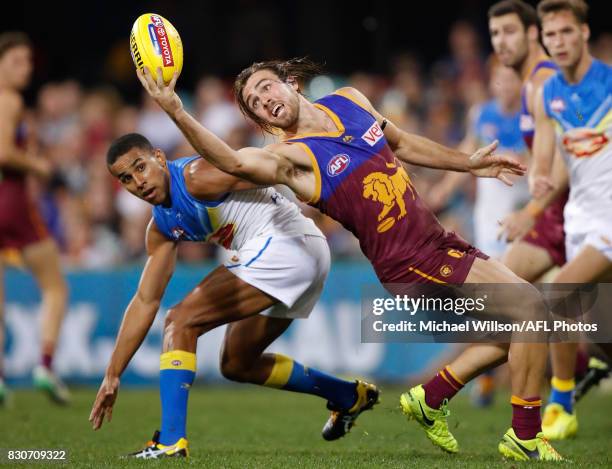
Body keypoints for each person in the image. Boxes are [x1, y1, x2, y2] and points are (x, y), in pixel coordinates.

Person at [137, 53, 562, 459]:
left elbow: (402, 142)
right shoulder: (289, 158)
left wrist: (466, 164)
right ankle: (525, 435)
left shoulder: (350, 100)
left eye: (267, 87)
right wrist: (176, 109)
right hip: (407, 261)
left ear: (291, 83)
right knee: (529, 308)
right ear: (261, 121)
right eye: (254, 103)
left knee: (525, 324)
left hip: (438, 240)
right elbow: (230, 159)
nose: (264, 101)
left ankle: (431, 397)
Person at [89, 133, 379, 458]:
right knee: (238, 363)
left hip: (288, 245)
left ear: (159, 155)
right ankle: (347, 395)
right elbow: (145, 300)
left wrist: (346, 186)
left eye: (140, 167)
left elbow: (273, 166)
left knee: (180, 321)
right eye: (126, 178)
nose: (138, 182)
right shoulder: (161, 227)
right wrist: (112, 374)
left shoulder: (197, 176)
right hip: (303, 256)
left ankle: (170, 441)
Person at [528, 0, 612, 440]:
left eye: (565, 33)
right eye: (550, 35)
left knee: (558, 293)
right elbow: (545, 157)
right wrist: (538, 183)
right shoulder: (548, 95)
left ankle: (561, 404)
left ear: (583, 33)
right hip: (581, 217)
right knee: (601, 332)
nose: (557, 43)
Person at [0, 32, 70, 405]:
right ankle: (44, 365)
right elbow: (3, 153)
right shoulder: (8, 100)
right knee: (55, 286)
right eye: (16, 61)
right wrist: (38, 165)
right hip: (9, 200)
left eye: (28, 61)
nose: (25, 69)